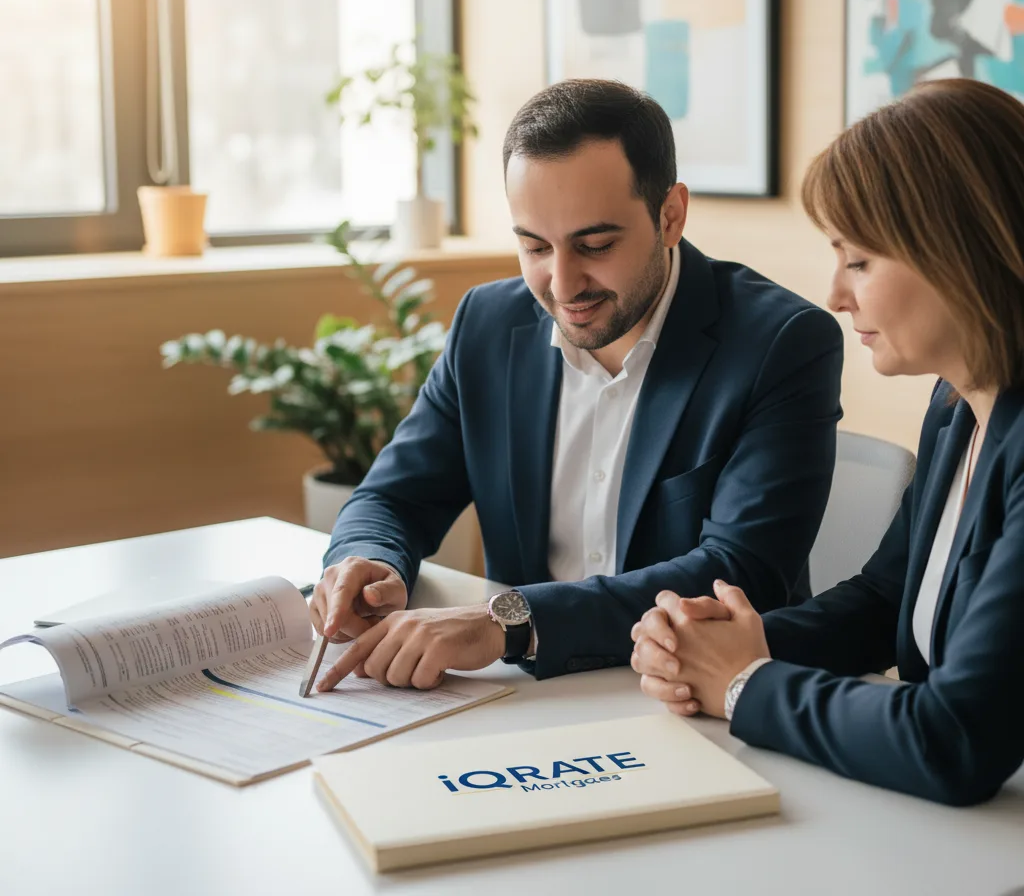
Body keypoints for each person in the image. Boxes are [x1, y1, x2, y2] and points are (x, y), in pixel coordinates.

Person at [309, 78, 843, 691]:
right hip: (524, 696)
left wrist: (508, 624)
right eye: (535, 246)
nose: (562, 285)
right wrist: (368, 562)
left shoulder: (782, 342)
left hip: (696, 695)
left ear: (670, 216)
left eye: (594, 245)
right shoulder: (487, 325)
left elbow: (740, 570)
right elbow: (394, 496)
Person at [631, 77, 1024, 806]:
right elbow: (885, 600)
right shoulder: (958, 404)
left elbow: (956, 736)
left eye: (860, 261)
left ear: (958, 252)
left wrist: (745, 685)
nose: (837, 295)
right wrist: (725, 643)